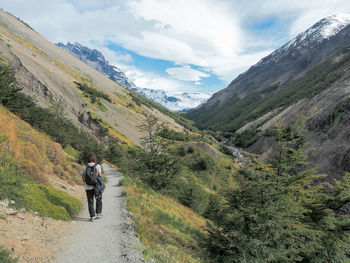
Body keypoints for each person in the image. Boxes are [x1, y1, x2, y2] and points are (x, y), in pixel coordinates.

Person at [81, 152, 103, 222]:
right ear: (94, 158)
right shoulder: (98, 166)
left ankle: (92, 216)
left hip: (88, 186)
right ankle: (98, 214)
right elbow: (100, 175)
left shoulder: (85, 166)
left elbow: (83, 176)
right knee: (98, 199)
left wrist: (84, 183)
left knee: (90, 201)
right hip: (97, 186)